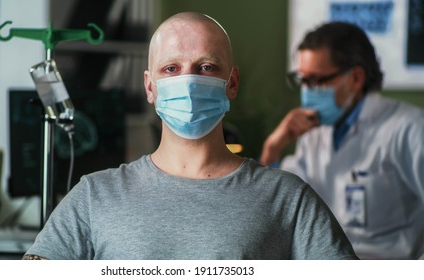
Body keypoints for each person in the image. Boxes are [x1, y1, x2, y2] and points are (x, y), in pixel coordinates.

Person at [23, 12, 357, 260]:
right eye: (171, 69)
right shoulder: (94, 196)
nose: (189, 81)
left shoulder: (288, 198)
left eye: (207, 67)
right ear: (150, 86)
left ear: (233, 82)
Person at [260, 21, 424, 259]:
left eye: (317, 81)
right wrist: (272, 149)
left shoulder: (409, 128)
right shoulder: (313, 133)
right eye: (303, 80)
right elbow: (280, 206)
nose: (307, 91)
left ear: (356, 78)